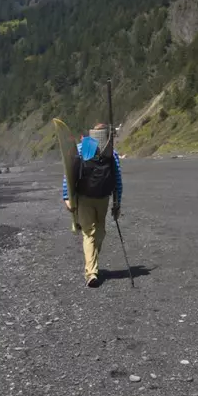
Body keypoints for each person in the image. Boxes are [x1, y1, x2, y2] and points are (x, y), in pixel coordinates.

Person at [63, 123, 122, 287]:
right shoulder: (109, 152)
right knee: (95, 232)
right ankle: (92, 271)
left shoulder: (84, 149)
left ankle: (91, 268)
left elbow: (68, 174)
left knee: (95, 233)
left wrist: (67, 196)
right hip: (94, 198)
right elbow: (118, 180)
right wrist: (117, 203)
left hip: (93, 198)